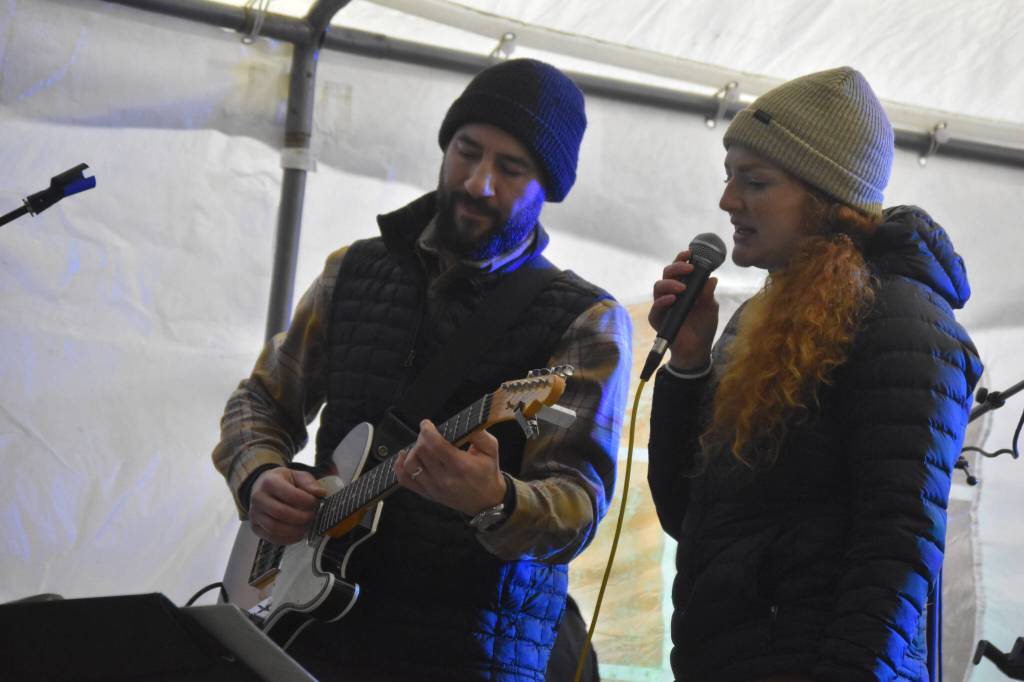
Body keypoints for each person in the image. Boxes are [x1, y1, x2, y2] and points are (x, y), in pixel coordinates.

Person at [212, 58, 630, 681]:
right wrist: (260, 477)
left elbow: (575, 508)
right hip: (311, 640)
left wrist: (495, 499)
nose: (479, 183)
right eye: (467, 151)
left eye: (510, 169)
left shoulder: (585, 321)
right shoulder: (349, 272)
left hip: (468, 655)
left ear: (548, 188)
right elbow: (260, 403)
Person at [646, 67, 983, 681]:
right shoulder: (759, 323)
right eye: (729, 178)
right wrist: (689, 363)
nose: (727, 201)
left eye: (755, 182)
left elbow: (898, 548)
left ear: (827, 199)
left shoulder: (904, 323)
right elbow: (686, 516)